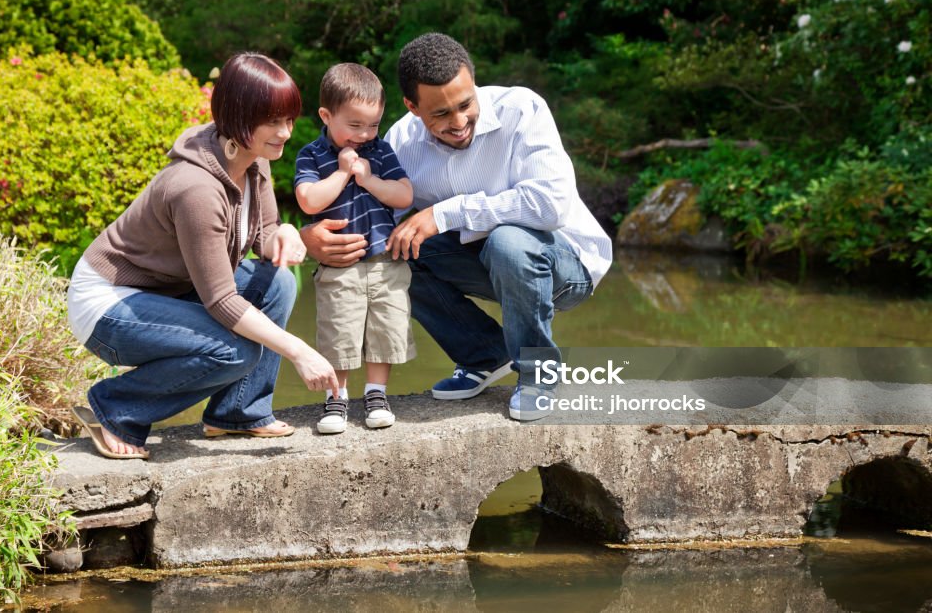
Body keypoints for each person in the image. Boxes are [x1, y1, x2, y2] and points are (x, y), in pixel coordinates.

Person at [301, 33, 612, 421]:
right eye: (441, 114)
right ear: (412, 107)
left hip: (566, 266)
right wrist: (309, 238)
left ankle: (538, 374)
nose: (459, 121)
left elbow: (551, 206)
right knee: (398, 251)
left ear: (474, 83)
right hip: (486, 260)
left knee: (508, 242)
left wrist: (448, 213)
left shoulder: (523, 109)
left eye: (466, 104)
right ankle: (484, 354)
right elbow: (378, 219)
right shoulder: (399, 140)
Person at [67, 52, 338, 459]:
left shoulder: (253, 158)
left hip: (169, 290)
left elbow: (262, 233)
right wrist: (299, 350)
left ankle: (237, 412)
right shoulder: (196, 188)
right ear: (239, 117)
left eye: (289, 120)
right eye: (273, 121)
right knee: (234, 349)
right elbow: (222, 302)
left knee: (277, 280)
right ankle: (117, 407)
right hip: (108, 304)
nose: (285, 132)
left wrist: (283, 232)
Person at [294, 63, 415, 434]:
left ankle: (376, 393)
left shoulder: (380, 152)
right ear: (326, 116)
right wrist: (343, 173)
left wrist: (369, 178)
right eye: (355, 125)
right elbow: (309, 201)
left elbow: (404, 194)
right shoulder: (312, 154)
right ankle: (337, 396)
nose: (365, 134)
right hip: (339, 266)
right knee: (339, 330)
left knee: (386, 327)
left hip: (384, 261)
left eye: (373, 125)